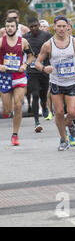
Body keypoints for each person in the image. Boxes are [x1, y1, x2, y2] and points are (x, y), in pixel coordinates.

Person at [34, 16, 75, 151]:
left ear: (68, 27)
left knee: (73, 113)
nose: (62, 29)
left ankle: (70, 124)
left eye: (64, 26)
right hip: (56, 83)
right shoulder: (48, 45)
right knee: (59, 112)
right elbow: (37, 63)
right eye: (59, 26)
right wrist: (45, 68)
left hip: (71, 82)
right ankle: (63, 139)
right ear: (54, 27)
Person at [0, 17, 34, 145]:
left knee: (18, 105)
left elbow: (31, 56)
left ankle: (15, 135)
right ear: (5, 27)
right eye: (7, 26)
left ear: (16, 27)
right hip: (4, 77)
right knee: (7, 110)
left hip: (19, 76)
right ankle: (6, 110)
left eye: (12, 26)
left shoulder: (23, 41)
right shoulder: (1, 42)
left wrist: (25, 65)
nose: (9, 28)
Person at [23, 17, 52, 132]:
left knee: (43, 95)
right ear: (29, 27)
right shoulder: (25, 38)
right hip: (32, 70)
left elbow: (53, 48)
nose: (34, 28)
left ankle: (44, 106)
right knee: (35, 94)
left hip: (44, 69)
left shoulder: (46, 36)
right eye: (31, 26)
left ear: (38, 25)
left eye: (36, 26)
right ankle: (36, 122)